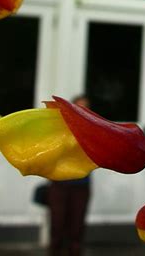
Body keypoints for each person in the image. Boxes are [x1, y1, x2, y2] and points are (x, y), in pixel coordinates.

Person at [48, 95, 92, 256]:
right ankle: (55, 251)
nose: (83, 111)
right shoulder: (60, 127)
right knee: (57, 223)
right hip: (59, 183)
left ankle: (75, 251)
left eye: (86, 108)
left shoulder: (92, 129)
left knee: (77, 224)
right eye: (79, 108)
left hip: (81, 183)